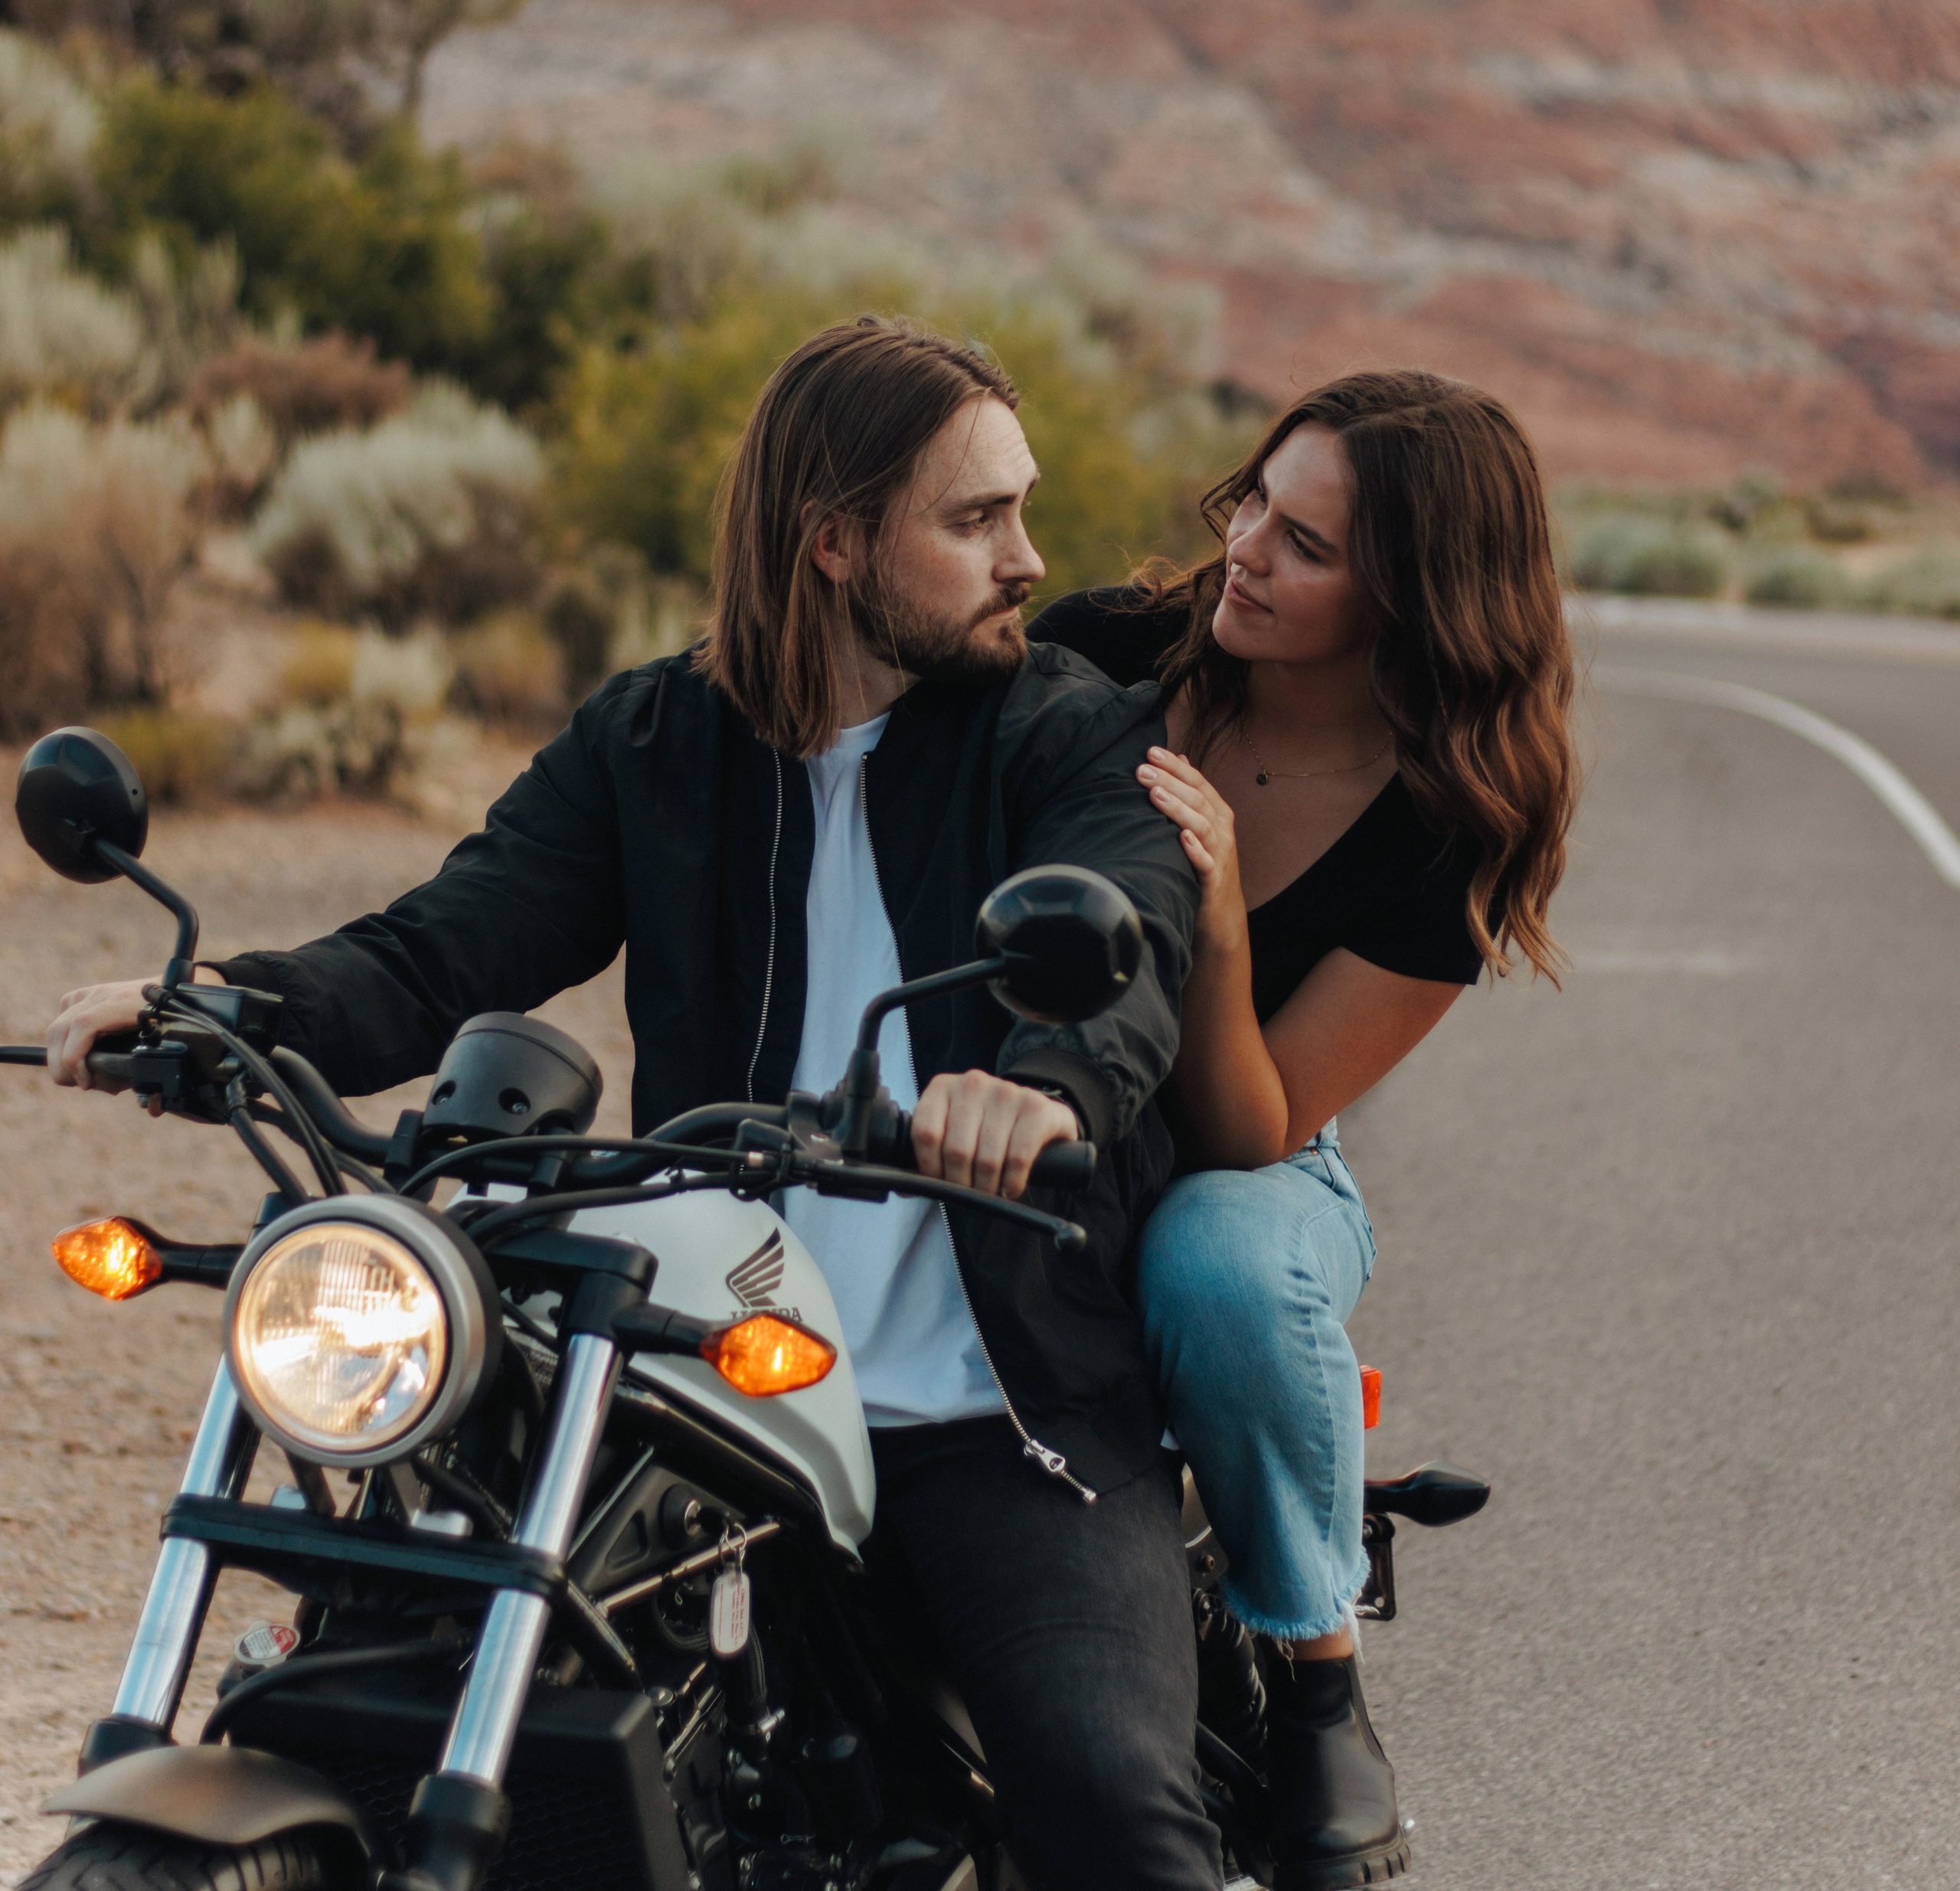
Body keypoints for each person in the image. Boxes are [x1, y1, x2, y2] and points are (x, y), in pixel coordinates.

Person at [47, 318, 1223, 1891]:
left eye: (1018, 509)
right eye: (974, 519)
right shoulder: (655, 740)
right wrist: (221, 1009)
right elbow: (443, 943)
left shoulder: (1062, 728)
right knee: (385, 1650)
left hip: (987, 1405)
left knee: (1104, 1797)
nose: (1026, 558)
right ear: (831, 544)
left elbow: (1127, 936)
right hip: (692, 1370)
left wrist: (1040, 1088)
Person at [1029, 367, 1576, 1891]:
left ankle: (1314, 1675)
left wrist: (1209, 914)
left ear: (1414, 598)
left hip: (1246, 1147)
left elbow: (1253, 1122)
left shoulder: (1444, 824)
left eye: (1309, 543)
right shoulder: (1108, 654)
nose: (1248, 549)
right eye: (1252, 500)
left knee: (1219, 1264)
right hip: (1022, 1100)